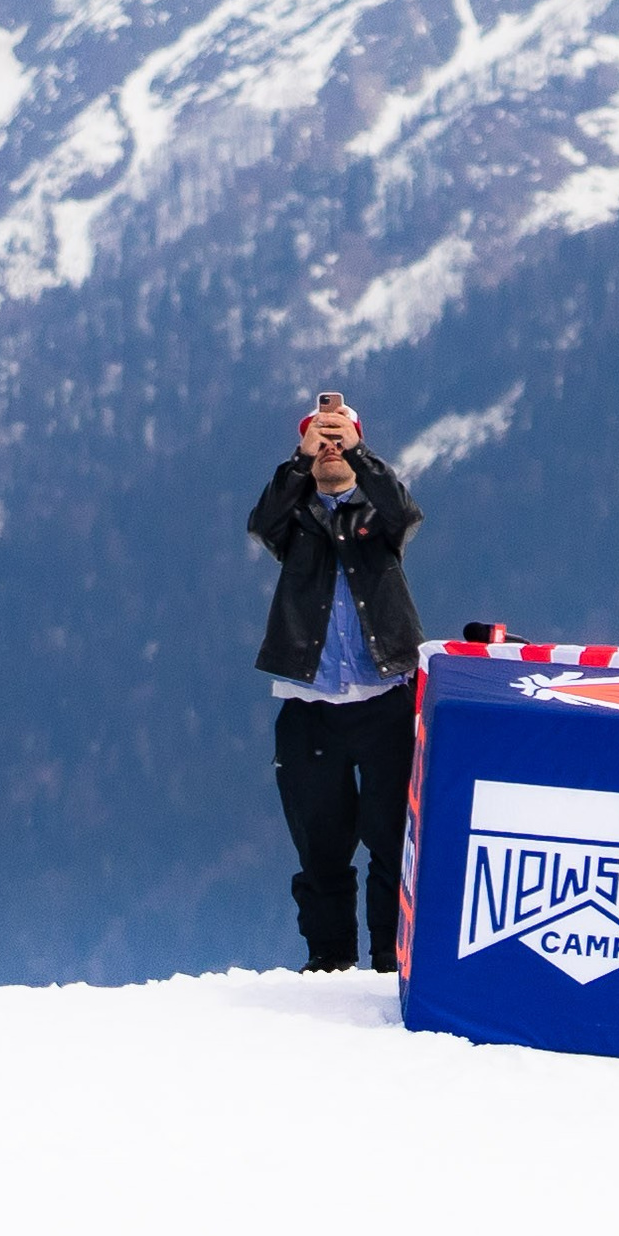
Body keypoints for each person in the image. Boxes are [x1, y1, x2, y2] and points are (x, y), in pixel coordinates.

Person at [246, 393, 425, 974]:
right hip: (308, 707)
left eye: (338, 438)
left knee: (392, 841)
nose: (329, 447)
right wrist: (301, 463)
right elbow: (262, 521)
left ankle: (385, 957)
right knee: (319, 848)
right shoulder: (293, 520)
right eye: (317, 439)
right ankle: (328, 961)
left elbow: (403, 509)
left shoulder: (380, 516)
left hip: (384, 702)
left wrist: (359, 450)